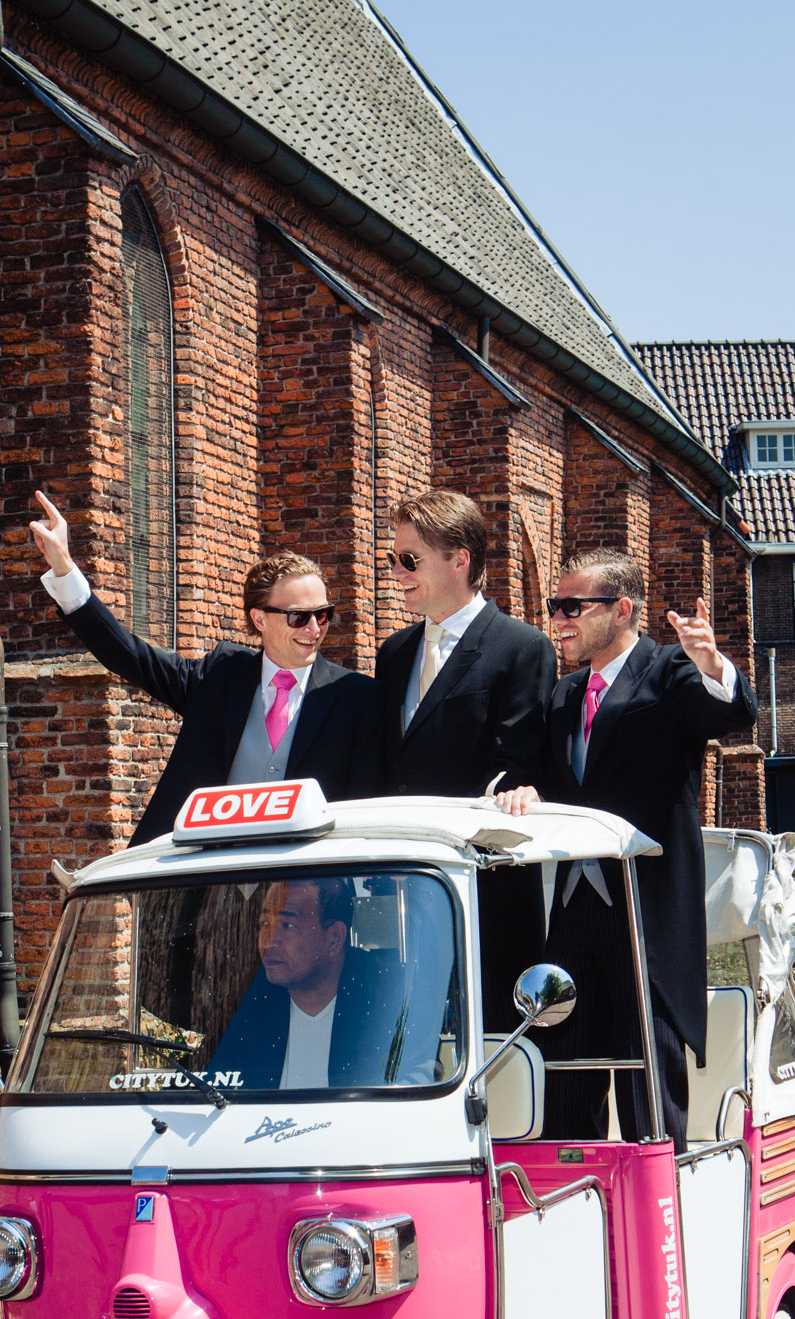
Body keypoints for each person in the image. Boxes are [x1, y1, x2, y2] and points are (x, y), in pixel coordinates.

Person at [496, 547, 758, 1154]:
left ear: (621, 611)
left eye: (570, 606)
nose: (557, 618)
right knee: (564, 1089)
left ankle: (662, 1225)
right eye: (552, 605)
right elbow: (552, 784)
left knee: (651, 1106)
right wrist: (528, 791)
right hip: (571, 920)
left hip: (648, 921)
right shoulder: (562, 697)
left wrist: (713, 662)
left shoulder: (670, 672)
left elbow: (730, 713)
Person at [28, 493, 381, 843]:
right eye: (299, 617)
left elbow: (365, 806)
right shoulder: (219, 676)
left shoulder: (355, 696)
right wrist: (64, 568)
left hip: (306, 886)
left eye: (323, 615)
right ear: (259, 619)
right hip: (206, 880)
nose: (314, 629)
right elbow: (130, 656)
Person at [377, 489, 556, 1023]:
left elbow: (514, 770)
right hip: (399, 898)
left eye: (410, 560)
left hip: (484, 898)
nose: (397, 572)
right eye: (393, 559)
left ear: (460, 559)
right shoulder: (394, 653)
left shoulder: (521, 648)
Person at [211, 878, 418, 1090]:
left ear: (334, 939)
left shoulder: (386, 1006)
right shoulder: (250, 1007)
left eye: (287, 925)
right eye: (265, 924)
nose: (268, 941)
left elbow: (414, 1081)